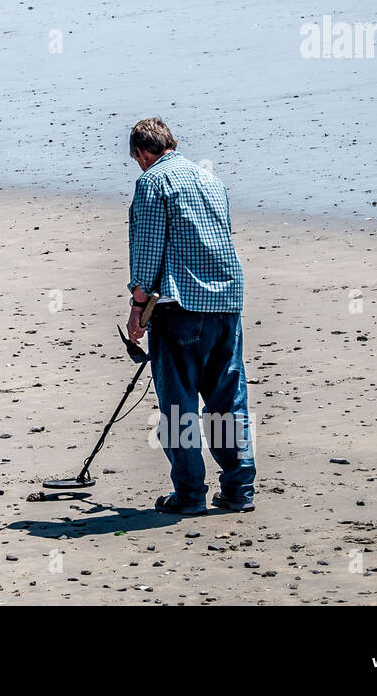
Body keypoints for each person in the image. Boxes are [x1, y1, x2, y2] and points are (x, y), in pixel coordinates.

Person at [125, 118, 257, 515]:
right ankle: (238, 490)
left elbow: (147, 252)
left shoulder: (153, 182)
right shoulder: (211, 181)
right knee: (226, 400)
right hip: (227, 301)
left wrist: (137, 311)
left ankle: (189, 494)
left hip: (181, 307)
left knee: (178, 405)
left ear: (142, 153)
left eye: (137, 160)